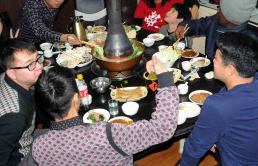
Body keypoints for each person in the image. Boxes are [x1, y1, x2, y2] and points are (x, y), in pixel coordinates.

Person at [31, 56, 178, 165]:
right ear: (76, 99)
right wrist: (165, 78)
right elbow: (162, 128)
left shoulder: (39, 147)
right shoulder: (107, 134)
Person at [180, 32, 258, 165]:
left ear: (230, 70)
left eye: (216, 58)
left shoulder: (217, 106)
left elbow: (193, 149)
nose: (213, 61)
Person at [0, 38, 43, 166]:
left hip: (23, 136)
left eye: (37, 58)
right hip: (18, 157)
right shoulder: (13, 116)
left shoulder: (3, 77)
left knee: (61, 133)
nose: (39, 66)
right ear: (12, 73)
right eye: (30, 64)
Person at [175, 0, 258, 74]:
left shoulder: (248, 42)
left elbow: (257, 75)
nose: (217, 10)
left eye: (220, 9)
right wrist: (184, 26)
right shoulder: (214, 21)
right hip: (210, 71)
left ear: (231, 17)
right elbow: (197, 24)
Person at [13, 0, 81, 45]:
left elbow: (48, 29)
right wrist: (64, 37)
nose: (60, 0)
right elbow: (40, 30)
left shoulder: (54, 4)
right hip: (22, 45)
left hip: (42, 43)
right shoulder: (31, 5)